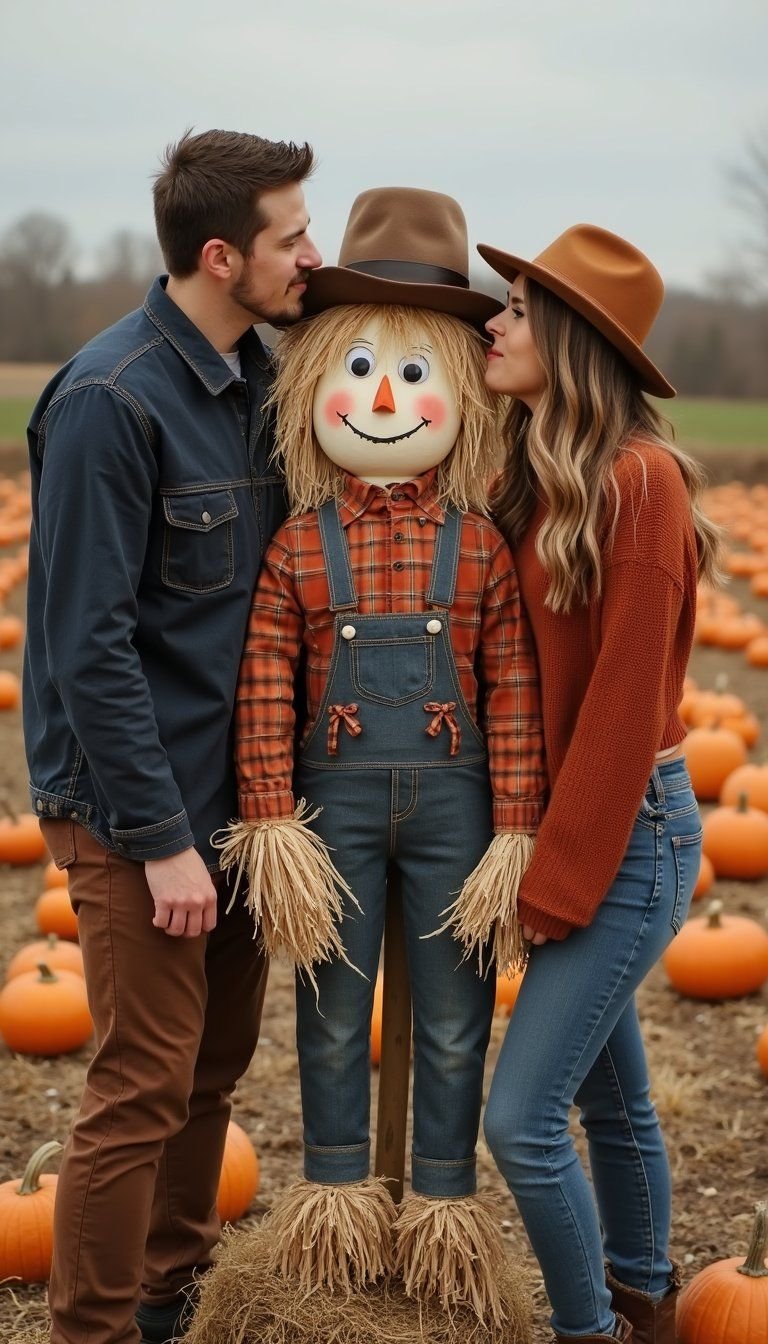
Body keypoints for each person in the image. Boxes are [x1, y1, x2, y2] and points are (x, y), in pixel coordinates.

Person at [213, 187, 548, 1326]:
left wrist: (517, 826)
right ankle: (341, 1203)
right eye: (360, 372)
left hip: (459, 813)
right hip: (332, 823)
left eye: (415, 376)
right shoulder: (299, 548)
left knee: (458, 1018)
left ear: (460, 391)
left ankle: (444, 1210)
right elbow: (266, 681)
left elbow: (511, 692)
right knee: (329, 1008)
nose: (387, 400)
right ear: (314, 388)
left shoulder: (485, 550)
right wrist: (266, 814)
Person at [22, 128, 321, 1344]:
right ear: (219, 255)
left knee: (210, 1074)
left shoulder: (260, 382)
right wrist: (159, 842)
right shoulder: (109, 400)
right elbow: (85, 648)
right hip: (135, 807)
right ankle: (91, 1329)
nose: (315, 253)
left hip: (241, 803)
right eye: (292, 236)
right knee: (141, 1086)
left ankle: (167, 1296)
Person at [470, 225, 722, 1343]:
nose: (495, 322)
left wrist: (551, 886)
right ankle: (645, 1297)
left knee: (521, 1122)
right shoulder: (538, 472)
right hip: (584, 829)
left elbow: (621, 720)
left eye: (518, 308)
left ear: (569, 338)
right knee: (611, 1104)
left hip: (631, 832)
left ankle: (590, 1330)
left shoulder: (641, 482)